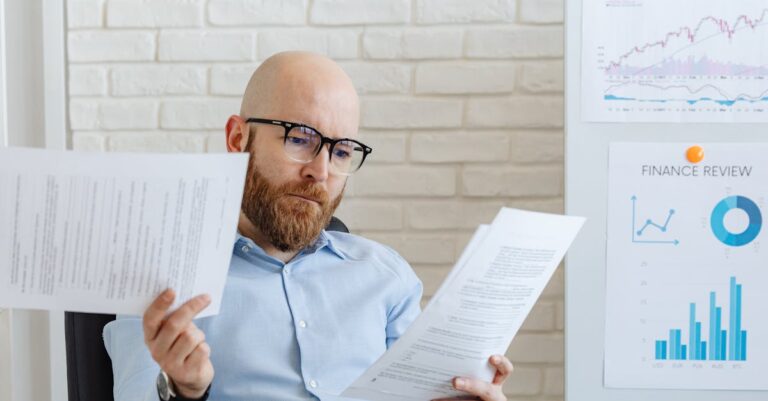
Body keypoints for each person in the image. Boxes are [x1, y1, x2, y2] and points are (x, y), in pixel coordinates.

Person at [104, 51, 513, 401]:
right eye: (299, 139)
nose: (320, 170)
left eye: (341, 151)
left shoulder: (386, 277)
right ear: (237, 139)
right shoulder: (163, 279)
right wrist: (183, 390)